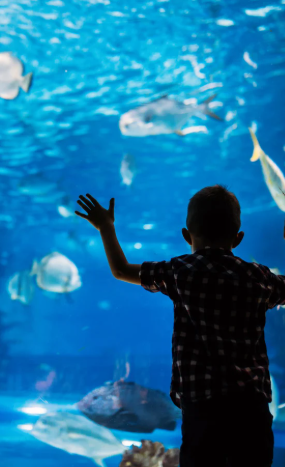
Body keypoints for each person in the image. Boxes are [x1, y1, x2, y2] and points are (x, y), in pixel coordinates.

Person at [75, 185, 284, 467]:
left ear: (187, 236)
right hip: (251, 408)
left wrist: (105, 226)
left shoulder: (180, 271)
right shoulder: (259, 277)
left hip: (201, 407)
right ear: (238, 238)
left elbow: (121, 270)